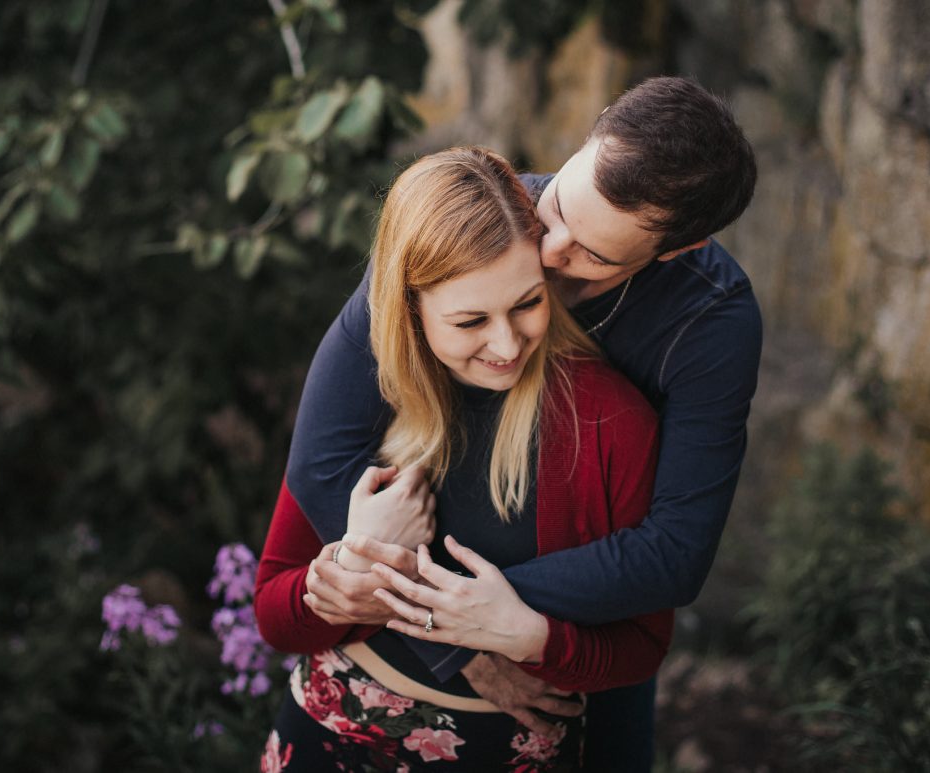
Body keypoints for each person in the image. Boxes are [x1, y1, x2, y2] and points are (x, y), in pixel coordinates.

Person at [287, 76, 761, 771]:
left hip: (590, 618)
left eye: (594, 256)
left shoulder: (710, 322)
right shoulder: (476, 217)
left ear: (677, 251)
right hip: (420, 596)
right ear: (586, 141)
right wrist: (457, 635)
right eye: (562, 205)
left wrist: (502, 620)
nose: (551, 247)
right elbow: (321, 460)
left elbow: (673, 553)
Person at [254, 146, 672, 771]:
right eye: (471, 320)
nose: (506, 344)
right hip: (328, 737)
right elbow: (274, 614)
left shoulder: (610, 422)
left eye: (528, 303)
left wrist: (529, 639)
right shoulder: (366, 407)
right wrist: (346, 583)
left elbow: (641, 646)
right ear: (411, 309)